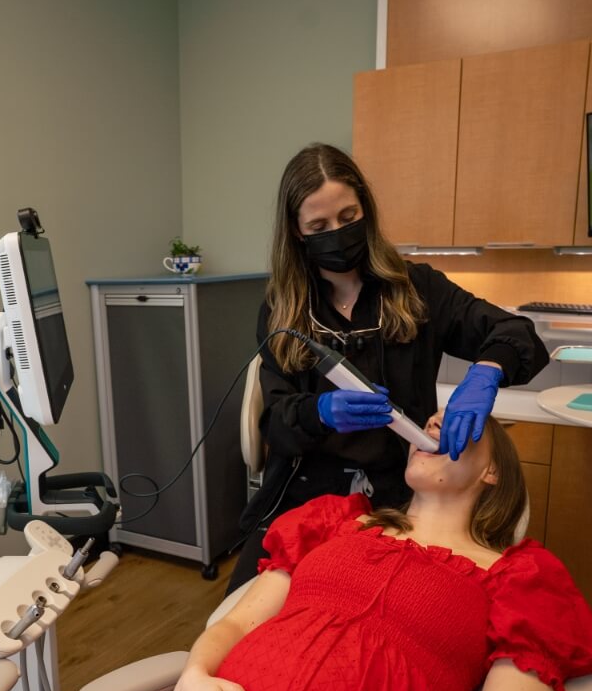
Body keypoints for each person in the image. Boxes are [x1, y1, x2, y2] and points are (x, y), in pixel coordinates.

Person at [1, 413, 592, 691]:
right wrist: (193, 679)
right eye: (430, 420)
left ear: (494, 474)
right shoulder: (335, 522)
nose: (432, 427)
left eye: (457, 426)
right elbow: (238, 620)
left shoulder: (521, 579)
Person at [230, 142, 549, 593]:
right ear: (297, 232)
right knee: (247, 616)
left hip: (398, 499)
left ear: (367, 211)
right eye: (319, 226)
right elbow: (275, 425)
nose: (337, 234)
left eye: (348, 217)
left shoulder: (417, 290)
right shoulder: (283, 311)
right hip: (303, 494)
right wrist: (317, 413)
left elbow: (515, 331)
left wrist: (486, 372)